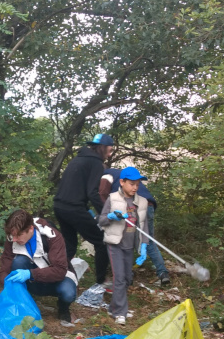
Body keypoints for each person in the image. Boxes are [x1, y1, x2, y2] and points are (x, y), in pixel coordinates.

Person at [53, 133, 114, 286]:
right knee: (101, 242)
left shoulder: (78, 159)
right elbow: (92, 192)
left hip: (60, 207)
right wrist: (106, 213)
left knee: (70, 244)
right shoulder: (95, 163)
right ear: (102, 148)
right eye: (110, 150)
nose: (110, 154)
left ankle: (56, 276)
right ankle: (101, 281)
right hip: (74, 209)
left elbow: (75, 188)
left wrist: (87, 209)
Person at [0, 209, 78, 323]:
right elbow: (6, 262)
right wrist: (5, 281)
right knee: (18, 262)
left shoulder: (52, 236)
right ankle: (23, 302)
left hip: (54, 279)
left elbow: (60, 271)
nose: (14, 239)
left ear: (30, 228)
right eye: (12, 236)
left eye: (18, 235)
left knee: (68, 293)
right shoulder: (13, 237)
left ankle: (63, 308)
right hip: (32, 280)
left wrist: (30, 274)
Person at [100, 167, 170, 285]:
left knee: (126, 239)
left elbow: (102, 193)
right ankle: (162, 273)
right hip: (149, 205)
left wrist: (105, 213)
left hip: (135, 205)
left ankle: (126, 276)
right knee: (148, 240)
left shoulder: (105, 175)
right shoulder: (120, 173)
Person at [97, 167, 149, 325]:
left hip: (129, 245)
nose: (135, 187)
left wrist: (144, 246)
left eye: (137, 184)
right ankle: (120, 312)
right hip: (115, 244)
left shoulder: (142, 201)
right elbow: (101, 220)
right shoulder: (113, 199)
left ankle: (115, 308)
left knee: (127, 278)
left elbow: (143, 226)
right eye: (132, 183)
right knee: (119, 278)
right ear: (122, 182)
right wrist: (112, 217)